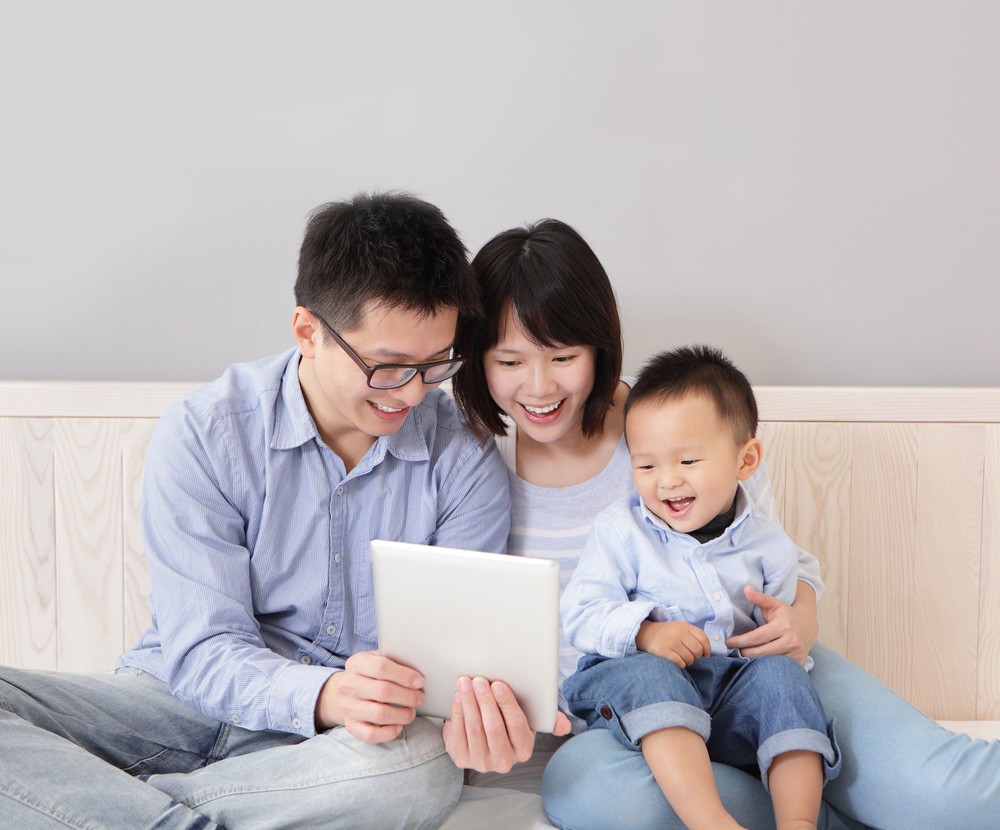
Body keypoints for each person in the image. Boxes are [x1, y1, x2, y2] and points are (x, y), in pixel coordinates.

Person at [0, 192, 563, 830]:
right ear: (307, 331)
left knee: (420, 770)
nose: (411, 393)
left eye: (435, 366)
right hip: (171, 703)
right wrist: (320, 692)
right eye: (387, 368)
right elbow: (202, 648)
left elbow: (449, 674)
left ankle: (105, 806)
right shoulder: (206, 432)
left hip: (334, 750)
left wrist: (476, 715)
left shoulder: (461, 462)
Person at [453, 217, 1000, 830]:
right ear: (477, 359)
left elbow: (784, 559)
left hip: (759, 667)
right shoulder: (471, 469)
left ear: (600, 348)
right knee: (594, 795)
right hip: (630, 719)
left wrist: (799, 621)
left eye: (563, 357)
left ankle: (828, 787)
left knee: (948, 793)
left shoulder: (685, 424)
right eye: (509, 361)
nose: (539, 386)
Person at [561, 345, 839, 830]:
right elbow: (580, 612)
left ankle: (800, 821)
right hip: (634, 688)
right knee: (655, 675)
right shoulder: (622, 531)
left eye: (688, 460)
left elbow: (787, 624)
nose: (666, 482)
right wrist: (647, 634)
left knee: (784, 681)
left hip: (729, 687)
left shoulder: (767, 544)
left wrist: (786, 630)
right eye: (646, 466)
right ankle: (710, 821)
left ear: (746, 459)